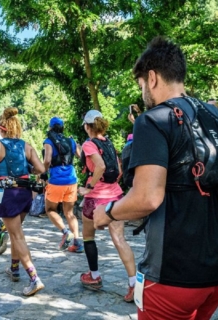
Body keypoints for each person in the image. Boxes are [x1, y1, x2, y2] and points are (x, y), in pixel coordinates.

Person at [93, 37, 218, 318]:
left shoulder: (153, 119)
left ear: (151, 78)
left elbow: (147, 197)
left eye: (141, 85)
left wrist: (108, 212)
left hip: (172, 272)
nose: (142, 92)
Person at [0, 107, 46, 296]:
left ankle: (34, 278)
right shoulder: (26, 145)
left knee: (17, 235)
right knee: (15, 232)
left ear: (1, 128)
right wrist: (29, 172)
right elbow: (41, 168)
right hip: (25, 193)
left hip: (7, 194)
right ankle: (14, 268)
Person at [77, 109, 137, 302]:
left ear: (88, 126)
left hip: (95, 199)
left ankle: (93, 277)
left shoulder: (88, 144)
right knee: (120, 240)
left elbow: (101, 166)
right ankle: (134, 284)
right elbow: (118, 170)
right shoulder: (108, 142)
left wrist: (89, 187)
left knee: (88, 237)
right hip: (116, 197)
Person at [42, 117, 83, 253]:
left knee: (50, 210)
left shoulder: (48, 141)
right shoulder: (70, 141)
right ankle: (77, 241)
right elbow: (80, 156)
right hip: (71, 180)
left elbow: (47, 160)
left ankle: (66, 232)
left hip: (56, 180)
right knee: (69, 212)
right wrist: (76, 144)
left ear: (50, 127)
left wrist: (43, 172)